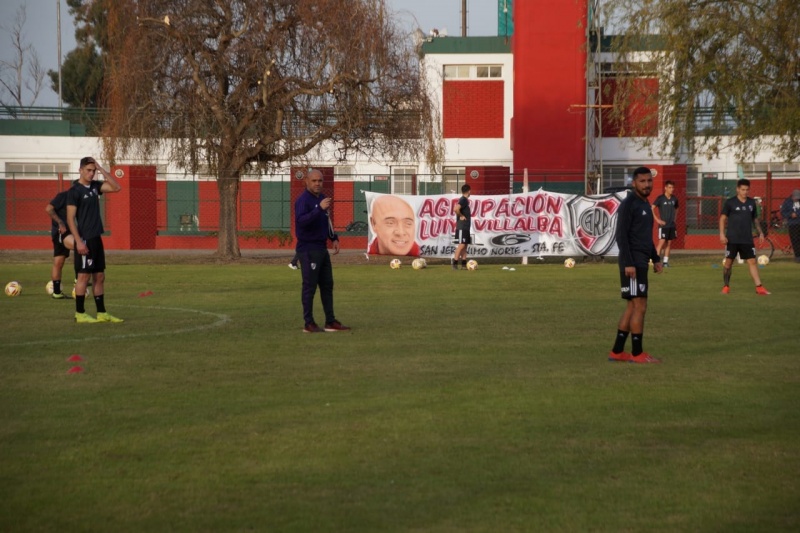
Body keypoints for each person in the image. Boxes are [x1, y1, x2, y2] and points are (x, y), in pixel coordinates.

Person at [609, 167, 663, 364]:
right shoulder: (629, 204)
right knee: (640, 306)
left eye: (649, 181)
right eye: (642, 181)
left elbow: (645, 237)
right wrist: (628, 263)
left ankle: (617, 351)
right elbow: (621, 236)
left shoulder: (645, 203)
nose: (647, 184)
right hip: (633, 264)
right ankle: (637, 353)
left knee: (633, 306)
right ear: (634, 183)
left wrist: (655, 258)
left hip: (641, 262)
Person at [66, 157, 124, 323]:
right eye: (89, 170)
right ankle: (80, 313)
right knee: (84, 277)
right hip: (84, 239)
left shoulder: (95, 187)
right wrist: (78, 242)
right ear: (81, 170)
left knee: (99, 276)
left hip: (96, 238)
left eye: (93, 170)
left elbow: (117, 187)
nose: (91, 173)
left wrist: (101, 168)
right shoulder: (74, 191)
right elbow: (70, 219)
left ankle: (102, 313)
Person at [294, 169, 350, 333]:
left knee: (327, 285)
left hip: (321, 248)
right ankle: (308, 323)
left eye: (320, 181)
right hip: (308, 249)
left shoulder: (322, 198)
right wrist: (318, 208)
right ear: (307, 181)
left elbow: (327, 221)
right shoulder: (303, 200)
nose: (317, 183)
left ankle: (330, 321)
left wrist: (334, 238)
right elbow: (301, 222)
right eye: (314, 181)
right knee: (310, 286)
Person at [719, 179, 770, 295]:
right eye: (742, 190)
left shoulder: (752, 203)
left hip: (747, 238)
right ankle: (726, 286)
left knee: (752, 261)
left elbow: (755, 219)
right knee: (728, 263)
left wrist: (760, 232)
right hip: (732, 238)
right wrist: (722, 234)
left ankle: (759, 287)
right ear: (737, 189)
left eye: (747, 190)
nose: (745, 192)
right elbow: (722, 218)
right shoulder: (730, 202)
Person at [44, 181, 79, 299]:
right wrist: (59, 222)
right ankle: (78, 279)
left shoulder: (78, 199)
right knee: (79, 246)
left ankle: (57, 293)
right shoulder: (63, 196)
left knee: (59, 262)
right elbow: (49, 208)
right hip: (61, 231)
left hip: (69, 231)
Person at [652, 180, 679, 267]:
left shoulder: (674, 199)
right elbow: (651, 208)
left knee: (669, 244)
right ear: (665, 188)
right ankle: (656, 262)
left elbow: (677, 208)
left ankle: (665, 262)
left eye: (673, 188)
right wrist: (657, 220)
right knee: (661, 243)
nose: (672, 189)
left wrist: (675, 218)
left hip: (671, 225)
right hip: (663, 226)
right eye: (670, 187)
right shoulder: (660, 198)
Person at [452, 184, 472, 270]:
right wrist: (461, 215)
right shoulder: (463, 200)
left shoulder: (465, 200)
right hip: (462, 226)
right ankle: (455, 263)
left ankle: (464, 264)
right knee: (461, 245)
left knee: (465, 245)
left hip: (466, 227)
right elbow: (456, 209)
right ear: (469, 191)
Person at [779, 189, 800, 263]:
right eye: (796, 198)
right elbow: (783, 212)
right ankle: (798, 256)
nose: (797, 199)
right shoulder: (787, 202)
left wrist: (797, 214)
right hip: (793, 223)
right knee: (795, 240)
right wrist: (790, 215)